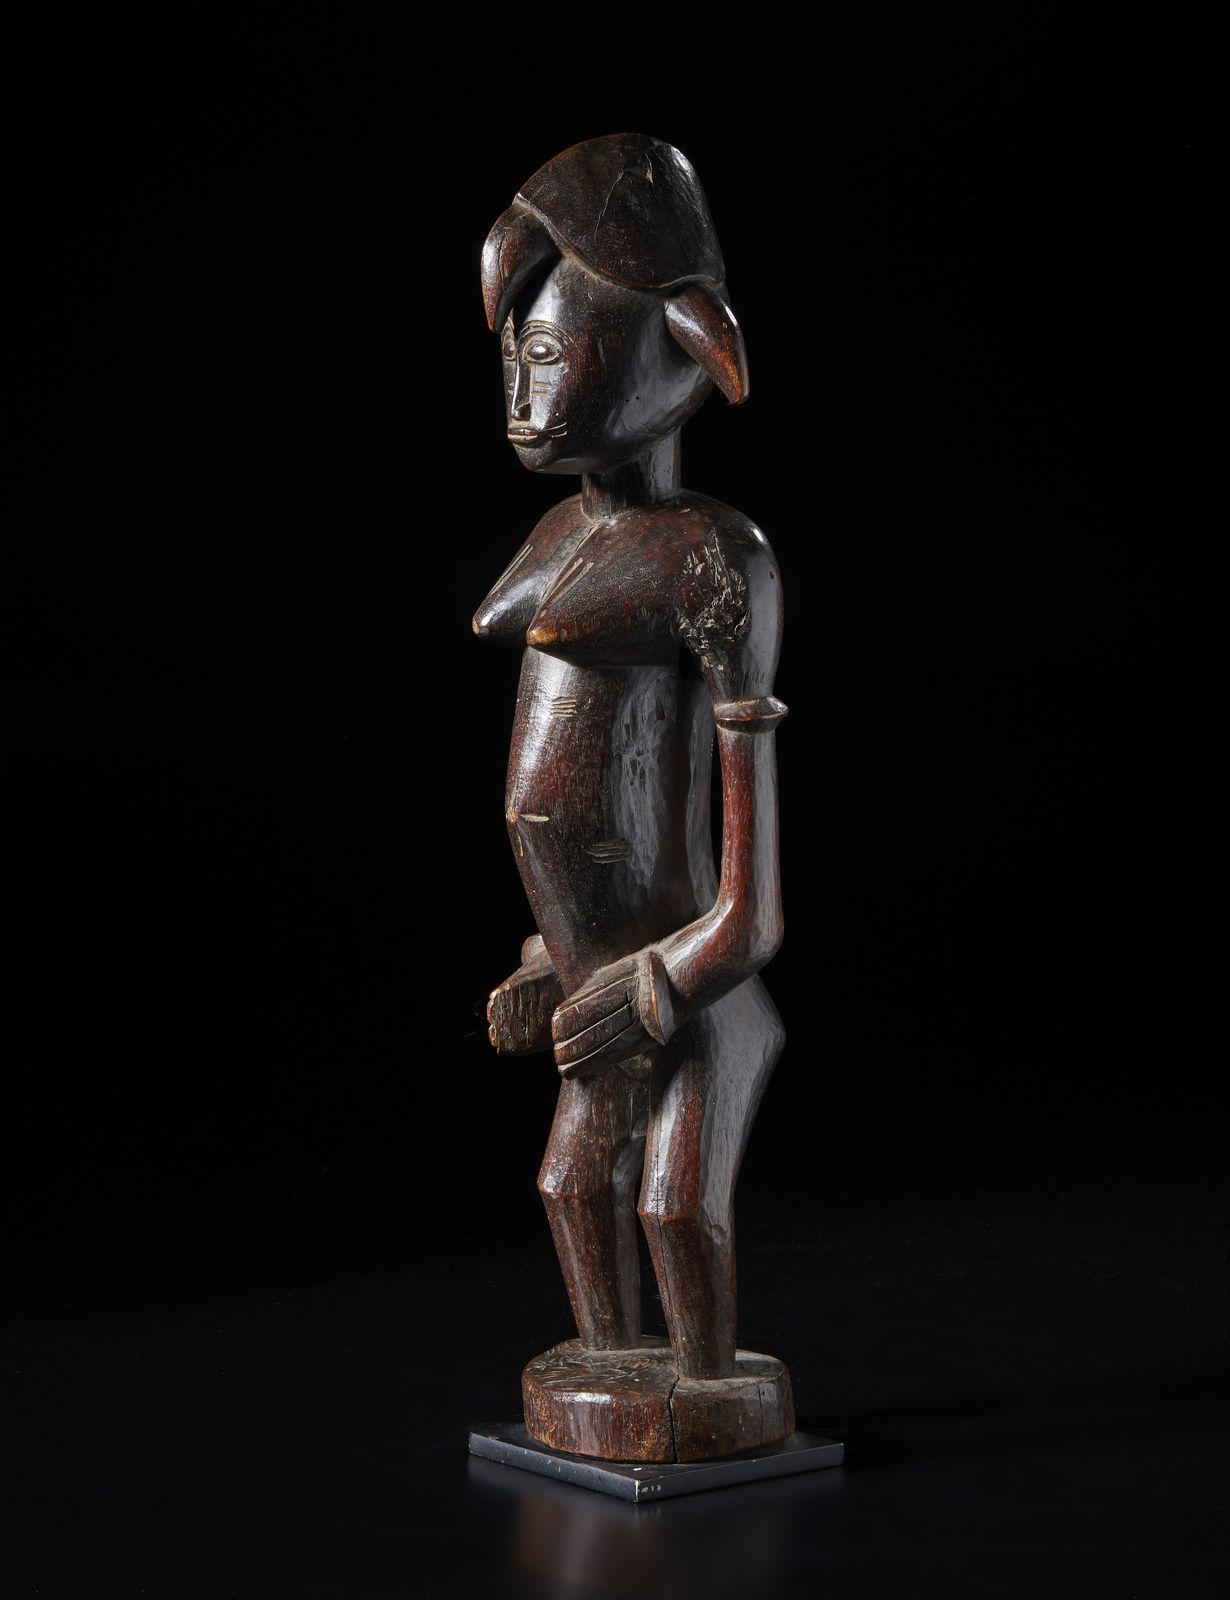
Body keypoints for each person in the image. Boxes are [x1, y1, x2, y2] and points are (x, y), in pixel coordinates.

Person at [478, 135, 787, 1383]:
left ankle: (702, 1384)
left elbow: (754, 910)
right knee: (569, 1186)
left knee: (672, 1202)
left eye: (552, 356)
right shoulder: (558, 534)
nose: (520, 390)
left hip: (689, 998)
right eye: (515, 355)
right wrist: (548, 956)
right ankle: (614, 1371)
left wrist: (655, 986)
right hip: (597, 979)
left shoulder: (717, 561)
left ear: (676, 348)